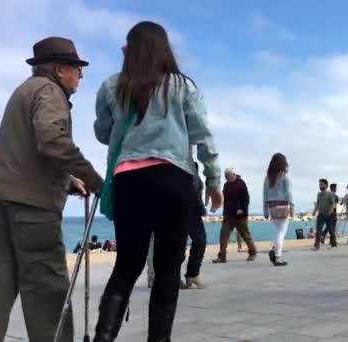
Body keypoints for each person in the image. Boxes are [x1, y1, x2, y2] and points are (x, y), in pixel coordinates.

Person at [92, 21, 222, 342]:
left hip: (129, 181)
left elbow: (102, 132)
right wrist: (214, 180)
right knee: (167, 269)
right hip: (173, 179)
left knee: (127, 265)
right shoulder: (183, 86)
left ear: (130, 49)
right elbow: (203, 136)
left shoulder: (113, 86)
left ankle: (103, 338)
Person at [0, 37, 104, 342]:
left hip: (2, 204)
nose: (80, 78)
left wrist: (67, 179)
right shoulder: (49, 91)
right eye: (77, 71)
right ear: (60, 69)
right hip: (33, 210)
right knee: (48, 291)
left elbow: (25, 152)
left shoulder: (23, 91)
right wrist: (95, 179)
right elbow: (52, 141)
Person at [147, 163, 209, 290]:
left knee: (200, 241)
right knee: (177, 245)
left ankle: (192, 274)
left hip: (193, 209)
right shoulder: (170, 163)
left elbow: (197, 188)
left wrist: (201, 207)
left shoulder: (194, 165)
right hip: (175, 207)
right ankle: (172, 277)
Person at [213, 168, 257, 263]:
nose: (227, 179)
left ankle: (253, 252)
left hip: (240, 216)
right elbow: (223, 198)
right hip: (228, 215)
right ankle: (222, 256)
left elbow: (246, 198)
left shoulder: (241, 184)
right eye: (226, 177)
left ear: (234, 175)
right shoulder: (226, 185)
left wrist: (242, 209)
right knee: (223, 234)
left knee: (245, 234)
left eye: (228, 176)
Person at [263, 153, 294, 266]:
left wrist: (265, 211)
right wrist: (292, 207)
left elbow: (265, 195)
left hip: (272, 207)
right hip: (283, 206)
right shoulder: (284, 177)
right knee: (281, 232)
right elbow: (289, 193)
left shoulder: (267, 178)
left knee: (278, 230)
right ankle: (277, 257)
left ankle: (274, 250)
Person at [312, 179, 337, 250]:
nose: (320, 185)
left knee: (331, 230)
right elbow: (318, 204)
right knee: (318, 230)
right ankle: (316, 245)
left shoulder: (330, 194)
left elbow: (333, 204)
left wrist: (331, 211)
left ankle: (334, 243)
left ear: (326, 185)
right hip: (321, 214)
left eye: (321, 184)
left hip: (329, 215)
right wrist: (314, 211)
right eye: (319, 184)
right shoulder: (319, 194)